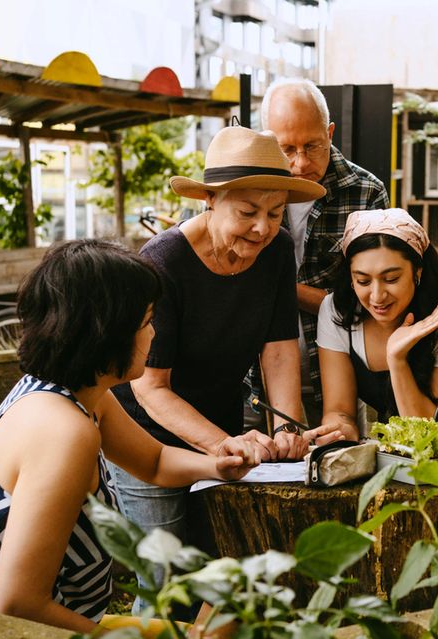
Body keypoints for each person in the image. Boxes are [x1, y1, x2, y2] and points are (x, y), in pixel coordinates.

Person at [0, 240, 261, 632]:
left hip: (35, 621)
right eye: (146, 321)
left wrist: (217, 464)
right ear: (107, 333)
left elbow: (153, 462)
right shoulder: (63, 434)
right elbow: (16, 603)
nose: (153, 335)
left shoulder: (77, 393)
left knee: (231, 601)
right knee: (230, 611)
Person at [109, 126, 337, 612]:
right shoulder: (162, 264)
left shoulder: (275, 252)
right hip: (146, 433)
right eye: (247, 213)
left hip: (220, 422)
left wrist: (287, 431)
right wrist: (221, 445)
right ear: (211, 199)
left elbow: (278, 350)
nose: (262, 228)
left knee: (222, 568)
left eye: (275, 214)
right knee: (167, 580)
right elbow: (151, 388)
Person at [259, 78, 389, 427]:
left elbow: (367, 304)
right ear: (266, 140)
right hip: (252, 385)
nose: (301, 163)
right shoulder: (245, 190)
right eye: (287, 149)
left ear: (330, 132)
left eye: (312, 146)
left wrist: (276, 288)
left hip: (336, 385)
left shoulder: (365, 194)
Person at [312, 208, 438, 441]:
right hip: (403, 456)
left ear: (417, 271)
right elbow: (339, 411)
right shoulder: (338, 311)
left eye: (391, 279)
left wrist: (397, 361)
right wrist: (339, 432)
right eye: (363, 280)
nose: (377, 296)